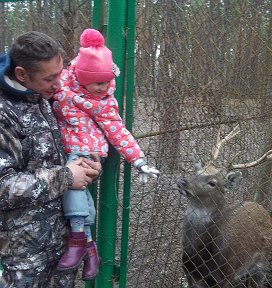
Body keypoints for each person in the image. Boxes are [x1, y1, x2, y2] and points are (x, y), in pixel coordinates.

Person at [52, 28, 159, 280]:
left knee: (72, 186)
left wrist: (138, 160)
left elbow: (118, 131)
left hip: (86, 150)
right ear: (81, 76)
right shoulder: (62, 87)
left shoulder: (105, 102)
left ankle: (78, 239)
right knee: (78, 191)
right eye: (98, 82)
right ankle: (90, 249)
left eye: (107, 81)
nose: (104, 87)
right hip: (64, 148)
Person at [0, 31, 102, 288]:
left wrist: (87, 163)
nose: (59, 84)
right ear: (22, 74)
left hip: (64, 243)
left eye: (60, 73)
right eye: (50, 78)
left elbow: (60, 151)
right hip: (24, 254)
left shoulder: (43, 97)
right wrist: (67, 176)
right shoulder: (4, 113)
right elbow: (4, 185)